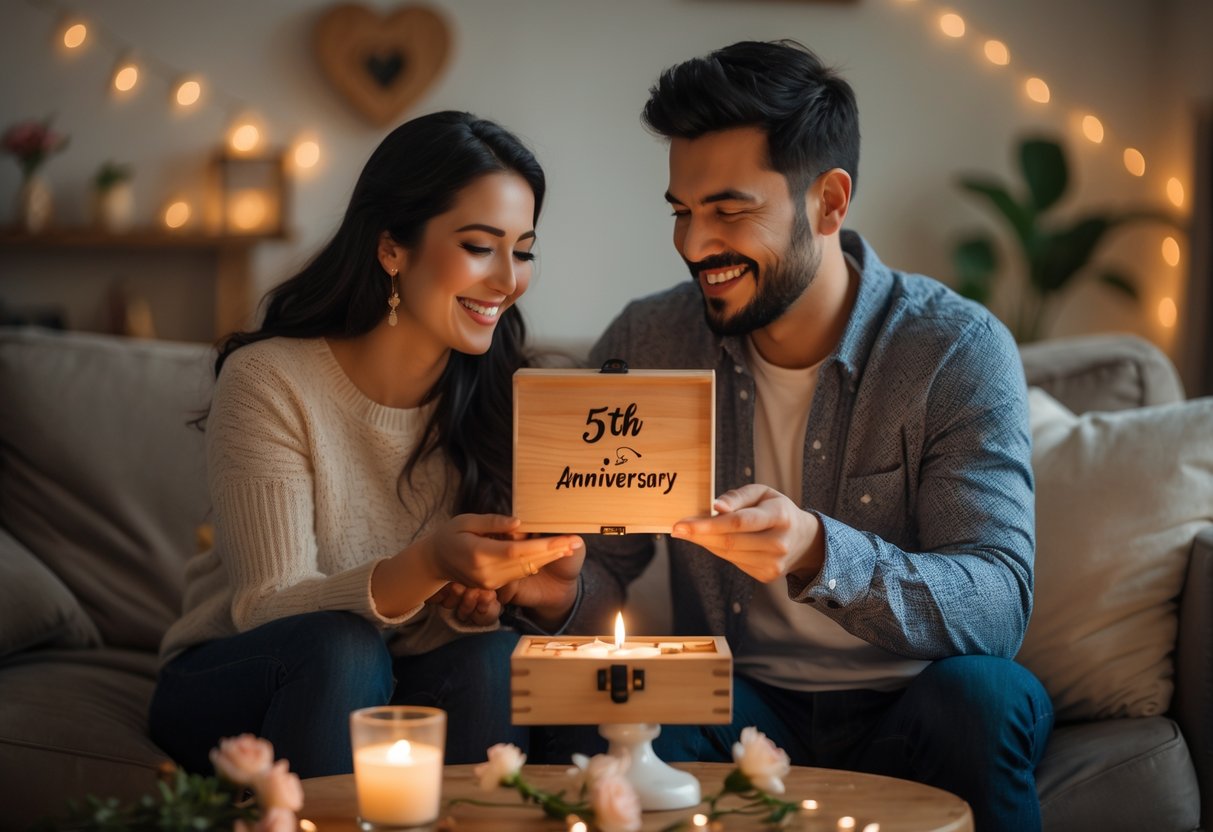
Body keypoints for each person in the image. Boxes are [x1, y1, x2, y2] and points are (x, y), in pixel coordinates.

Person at [565, 40, 1054, 831]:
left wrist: (820, 550)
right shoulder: (650, 339)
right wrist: (558, 587)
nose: (693, 245)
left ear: (828, 202)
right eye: (681, 212)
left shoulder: (954, 349)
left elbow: (997, 605)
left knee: (985, 696)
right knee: (610, 699)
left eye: (728, 211)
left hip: (915, 699)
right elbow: (603, 567)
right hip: (736, 702)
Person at [148, 111, 585, 778]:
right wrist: (429, 562)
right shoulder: (270, 379)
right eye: (478, 246)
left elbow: (464, 621)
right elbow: (263, 604)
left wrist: (521, 598)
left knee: (494, 661)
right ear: (391, 248)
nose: (507, 279)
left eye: (522, 250)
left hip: (400, 671)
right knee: (343, 648)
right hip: (244, 671)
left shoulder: (510, 391)